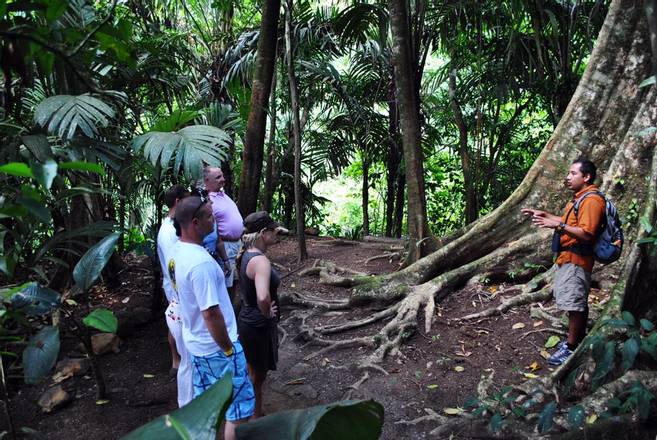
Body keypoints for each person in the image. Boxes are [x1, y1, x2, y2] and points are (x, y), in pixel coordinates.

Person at [169, 197, 254, 439]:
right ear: (195, 223)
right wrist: (228, 348)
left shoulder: (178, 252)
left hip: (197, 344)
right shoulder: (200, 264)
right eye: (209, 216)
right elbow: (210, 313)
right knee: (239, 409)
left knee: (208, 407)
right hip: (217, 348)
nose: (214, 220)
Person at [522, 157, 605, 366]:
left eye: (573, 174)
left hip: (577, 260)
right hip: (567, 258)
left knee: (576, 304)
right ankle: (574, 339)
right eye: (568, 173)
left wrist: (556, 227)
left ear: (586, 177)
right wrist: (546, 215)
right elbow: (569, 222)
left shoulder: (592, 200)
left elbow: (586, 233)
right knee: (574, 302)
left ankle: (571, 347)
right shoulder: (579, 198)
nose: (568, 177)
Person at [237, 211, 285, 419]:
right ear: (263, 233)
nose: (276, 235)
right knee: (258, 376)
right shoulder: (260, 261)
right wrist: (267, 314)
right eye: (274, 231)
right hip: (257, 324)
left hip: (247, 319)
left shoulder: (247, 253)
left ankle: (254, 412)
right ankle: (254, 418)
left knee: (252, 372)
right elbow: (263, 296)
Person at [156, 184, 192, 407]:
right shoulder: (170, 232)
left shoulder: (170, 226)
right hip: (176, 288)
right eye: (186, 200)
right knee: (179, 326)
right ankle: (178, 361)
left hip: (176, 288)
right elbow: (174, 265)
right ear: (178, 202)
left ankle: (178, 361)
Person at [202, 167, 244, 300]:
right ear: (207, 181)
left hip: (237, 244)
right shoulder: (208, 201)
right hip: (225, 246)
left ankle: (232, 314)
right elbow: (211, 228)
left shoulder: (222, 194)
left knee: (235, 281)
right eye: (218, 177)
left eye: (222, 176)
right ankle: (225, 315)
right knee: (226, 284)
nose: (223, 180)